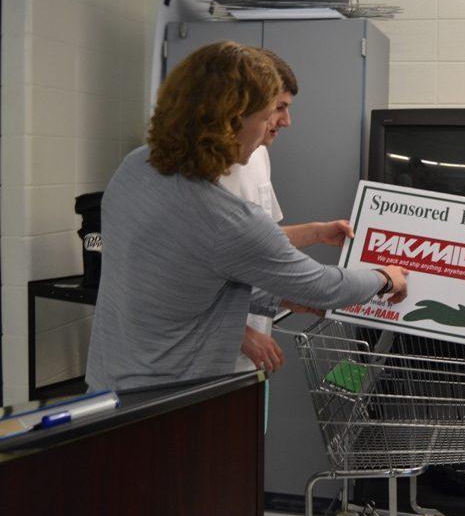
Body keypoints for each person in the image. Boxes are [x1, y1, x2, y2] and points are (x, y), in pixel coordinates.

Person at [85, 41, 408, 391]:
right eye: (270, 112)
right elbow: (323, 286)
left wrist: (280, 296)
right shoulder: (224, 218)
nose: (277, 124)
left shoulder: (137, 165)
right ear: (233, 119)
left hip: (110, 384)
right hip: (172, 400)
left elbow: (185, 277)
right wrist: (384, 278)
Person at [218, 49, 356, 374]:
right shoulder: (203, 173)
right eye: (279, 108)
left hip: (255, 350)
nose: (285, 121)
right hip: (210, 356)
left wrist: (317, 232)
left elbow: (260, 241)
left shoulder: (258, 155)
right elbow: (185, 275)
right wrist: (238, 333)